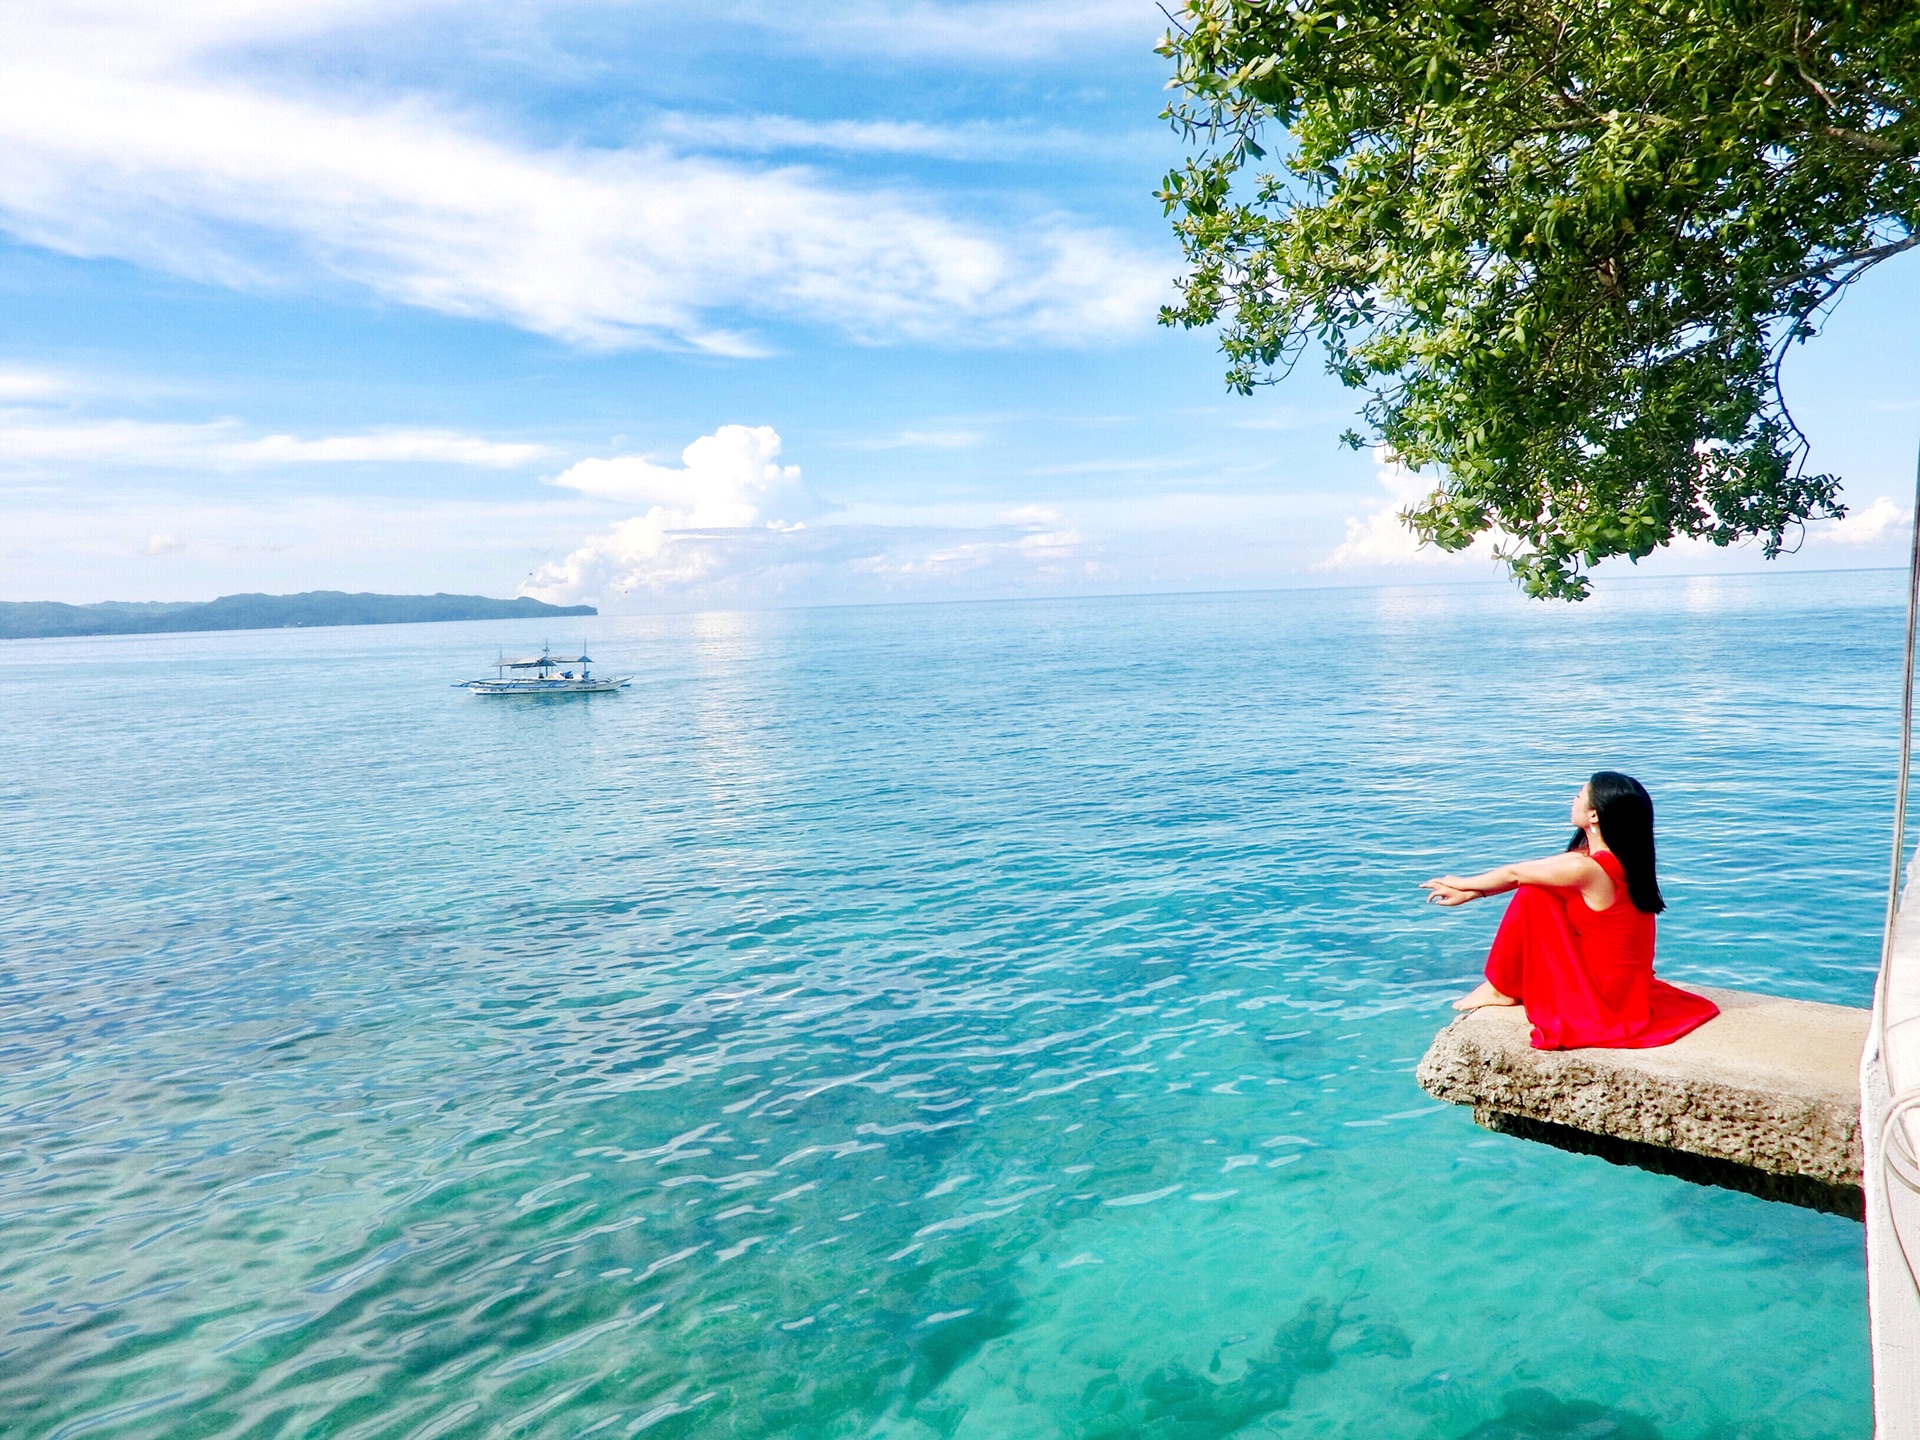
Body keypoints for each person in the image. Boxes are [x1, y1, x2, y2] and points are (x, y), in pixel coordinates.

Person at [1421, 771, 1719, 1050]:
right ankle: (1502, 986)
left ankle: (1502, 988)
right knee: (1541, 888)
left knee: (1533, 893)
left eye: (1579, 795)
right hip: (1626, 987)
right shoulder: (1619, 859)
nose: (1573, 800)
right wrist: (1475, 891)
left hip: (1604, 997)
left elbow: (1516, 873)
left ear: (1594, 814)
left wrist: (1460, 883)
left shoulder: (1586, 868)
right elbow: (1530, 871)